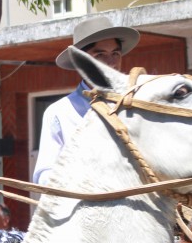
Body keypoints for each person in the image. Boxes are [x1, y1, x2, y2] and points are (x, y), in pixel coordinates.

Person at [32, 16, 140, 185]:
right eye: (100, 54)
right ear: (80, 62)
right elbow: (44, 177)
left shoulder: (136, 104)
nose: (111, 63)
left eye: (115, 53)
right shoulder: (59, 113)